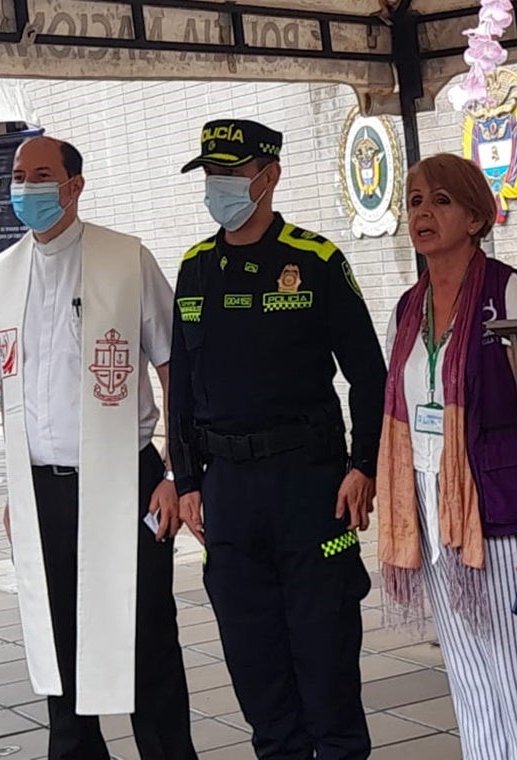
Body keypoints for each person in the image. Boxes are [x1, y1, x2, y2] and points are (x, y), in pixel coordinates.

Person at [0, 136, 196, 760]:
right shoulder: (2, 273)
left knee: (146, 635)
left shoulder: (125, 260)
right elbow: (6, 389)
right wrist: (17, 488)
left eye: (42, 175)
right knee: (58, 643)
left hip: (127, 482)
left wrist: (178, 473)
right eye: (19, 175)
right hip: (43, 490)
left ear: (74, 185)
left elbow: (175, 370)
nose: (27, 187)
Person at [168, 119, 384, 760]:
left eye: (231, 174)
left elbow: (368, 376)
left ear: (269, 176)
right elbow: (182, 388)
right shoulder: (197, 268)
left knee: (324, 655)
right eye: (211, 174)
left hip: (309, 485)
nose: (218, 186)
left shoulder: (315, 261)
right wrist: (186, 482)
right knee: (254, 660)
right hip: (228, 491)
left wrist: (363, 464)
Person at [376, 153, 517, 760]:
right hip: (432, 508)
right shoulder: (408, 308)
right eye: (413, 202)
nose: (423, 213)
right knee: (471, 680)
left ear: (478, 216)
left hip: (504, 509)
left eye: (440, 200)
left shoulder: (509, 291)